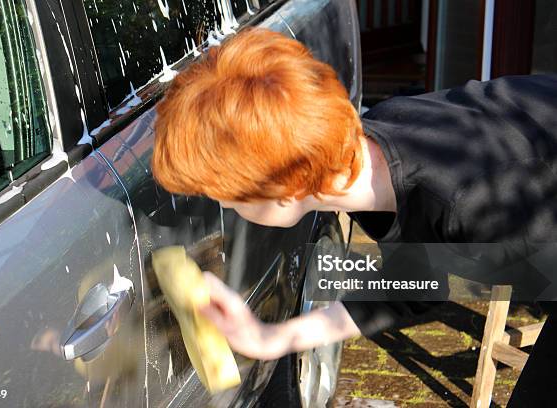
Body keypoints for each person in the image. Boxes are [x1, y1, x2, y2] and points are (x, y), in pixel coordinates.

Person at [151, 27, 557, 405]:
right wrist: (270, 338)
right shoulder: (370, 152)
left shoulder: (473, 206)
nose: (223, 207)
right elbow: (414, 285)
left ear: (285, 189)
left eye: (225, 195)